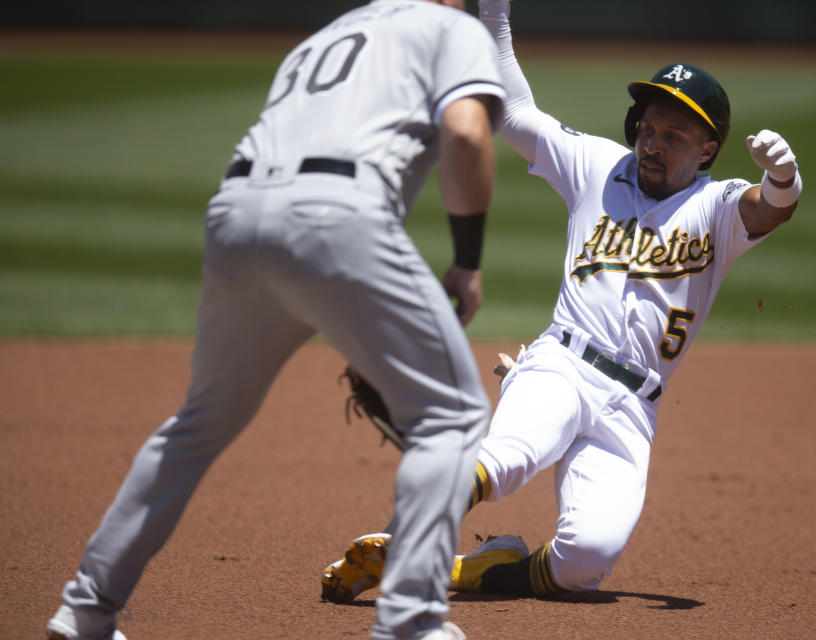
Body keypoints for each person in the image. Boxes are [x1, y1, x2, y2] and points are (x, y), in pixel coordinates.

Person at [45, 2, 504, 639]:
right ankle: (411, 623)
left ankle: (87, 609)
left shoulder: (325, 35)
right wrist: (467, 262)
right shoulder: (452, 27)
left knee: (198, 422)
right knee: (450, 414)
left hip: (235, 212)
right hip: (338, 215)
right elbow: (467, 133)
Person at [320, 0, 802, 602]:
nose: (653, 143)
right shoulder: (597, 164)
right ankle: (405, 541)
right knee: (506, 459)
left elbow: (771, 209)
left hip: (632, 407)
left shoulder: (719, 206)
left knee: (584, 562)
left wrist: (785, 178)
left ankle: (465, 568)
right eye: (648, 128)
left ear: (708, 148)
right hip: (562, 366)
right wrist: (494, 16)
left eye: (674, 135)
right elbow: (513, 111)